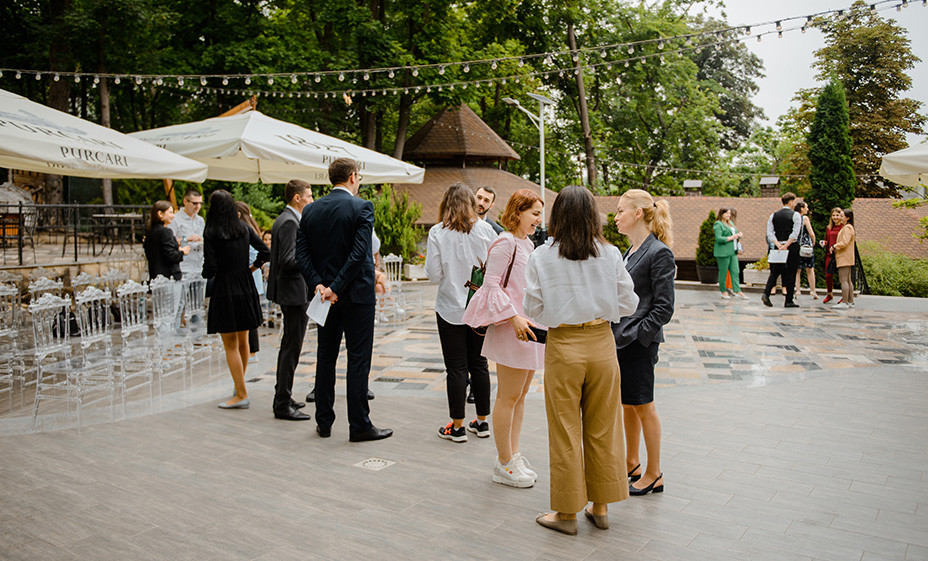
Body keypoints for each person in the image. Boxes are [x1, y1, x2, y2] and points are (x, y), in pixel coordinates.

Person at [524, 185, 638, 535]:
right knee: (604, 427)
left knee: (565, 429)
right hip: (602, 343)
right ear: (593, 216)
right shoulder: (610, 253)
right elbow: (629, 303)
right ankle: (600, 507)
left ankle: (566, 513)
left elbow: (532, 308)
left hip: (563, 344)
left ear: (557, 215)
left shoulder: (542, 256)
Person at [295, 158, 392, 442]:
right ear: (352, 176)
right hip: (357, 296)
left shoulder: (311, 210)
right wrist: (336, 287)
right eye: (359, 177)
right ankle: (359, 424)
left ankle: (324, 421)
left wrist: (320, 285)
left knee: (325, 357)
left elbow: (302, 254)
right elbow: (360, 253)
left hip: (325, 297)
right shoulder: (362, 207)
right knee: (358, 359)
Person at [462, 189, 545, 488]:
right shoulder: (505, 241)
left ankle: (513, 455)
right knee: (508, 397)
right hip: (512, 328)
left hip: (529, 328)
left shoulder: (528, 244)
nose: (539, 219)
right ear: (518, 212)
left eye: (540, 214)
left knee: (520, 397)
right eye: (534, 213)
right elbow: (491, 286)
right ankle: (503, 461)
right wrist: (513, 317)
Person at [612, 189, 676, 498]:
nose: (616, 216)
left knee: (644, 405)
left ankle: (654, 473)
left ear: (638, 213)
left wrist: (638, 334)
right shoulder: (630, 250)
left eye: (620, 210)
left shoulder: (658, 252)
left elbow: (664, 307)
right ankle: (632, 462)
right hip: (623, 341)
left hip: (638, 343)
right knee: (629, 404)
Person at [425, 183, 497, 444]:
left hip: (449, 308)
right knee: (479, 364)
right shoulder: (486, 230)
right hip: (479, 308)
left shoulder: (437, 232)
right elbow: (495, 268)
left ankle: (457, 427)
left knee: (456, 368)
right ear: (471, 203)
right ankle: (482, 421)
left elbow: (433, 275)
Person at [202, 189, 270, 410]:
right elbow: (265, 252)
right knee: (243, 341)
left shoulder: (211, 231)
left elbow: (210, 268)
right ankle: (239, 386)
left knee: (230, 345)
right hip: (246, 285)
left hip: (225, 288)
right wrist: (251, 269)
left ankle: (241, 394)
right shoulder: (243, 227)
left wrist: (209, 272)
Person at [267, 180, 314, 421]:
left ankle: (284, 394)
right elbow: (287, 260)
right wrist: (312, 254)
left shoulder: (288, 219)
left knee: (290, 345)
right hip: (293, 293)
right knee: (291, 347)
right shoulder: (289, 222)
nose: (311, 200)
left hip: (293, 292)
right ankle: (282, 403)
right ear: (297, 197)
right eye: (309, 196)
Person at [236, 201, 265, 364]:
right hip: (252, 279)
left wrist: (249, 270)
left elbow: (254, 255)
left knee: (249, 317)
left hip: (250, 278)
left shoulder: (247, 230)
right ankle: (250, 350)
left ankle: (252, 351)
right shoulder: (251, 227)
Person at [762, 192, 802, 308]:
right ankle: (788, 300)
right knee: (791, 272)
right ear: (790, 202)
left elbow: (770, 232)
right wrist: (786, 245)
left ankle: (766, 293)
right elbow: (795, 233)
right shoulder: (796, 215)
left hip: (778, 246)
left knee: (775, 271)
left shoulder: (773, 215)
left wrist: (778, 244)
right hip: (791, 246)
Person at [144, 201, 190, 281]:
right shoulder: (166, 231)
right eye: (171, 213)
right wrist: (183, 251)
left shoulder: (150, 232)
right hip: (168, 278)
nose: (173, 216)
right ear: (160, 214)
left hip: (155, 277)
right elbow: (171, 256)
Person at [167, 189, 206, 279]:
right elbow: (169, 243)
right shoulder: (175, 219)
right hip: (183, 267)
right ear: (185, 201)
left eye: (200, 203)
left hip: (199, 267)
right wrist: (187, 239)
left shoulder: (200, 220)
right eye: (194, 203)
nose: (198, 206)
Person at [713, 208, 747, 300]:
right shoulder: (718, 224)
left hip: (733, 251)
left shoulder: (730, 223)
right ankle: (723, 291)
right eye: (727, 213)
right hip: (723, 252)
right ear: (721, 214)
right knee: (723, 272)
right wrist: (732, 237)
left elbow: (735, 235)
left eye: (729, 213)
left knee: (735, 271)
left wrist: (738, 235)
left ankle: (737, 290)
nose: (729, 215)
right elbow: (719, 238)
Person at [831, 208, 857, 310]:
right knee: (848, 280)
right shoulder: (849, 227)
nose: (840, 218)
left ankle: (845, 301)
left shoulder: (847, 228)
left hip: (844, 257)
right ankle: (850, 301)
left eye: (842, 216)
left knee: (844, 280)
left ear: (847, 218)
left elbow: (845, 242)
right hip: (847, 257)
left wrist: (834, 246)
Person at [793, 202, 818, 299]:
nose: (807, 209)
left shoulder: (793, 218)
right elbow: (811, 233)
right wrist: (813, 241)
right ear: (802, 208)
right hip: (806, 246)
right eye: (806, 207)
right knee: (810, 269)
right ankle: (812, 291)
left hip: (796, 246)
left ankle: (797, 291)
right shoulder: (805, 218)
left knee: (797, 270)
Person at [820, 207, 845, 304]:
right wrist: (823, 242)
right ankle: (829, 293)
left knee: (841, 276)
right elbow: (827, 240)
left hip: (839, 254)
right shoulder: (829, 227)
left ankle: (844, 295)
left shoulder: (843, 227)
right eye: (833, 215)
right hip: (829, 254)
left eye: (837, 215)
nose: (835, 217)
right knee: (828, 275)